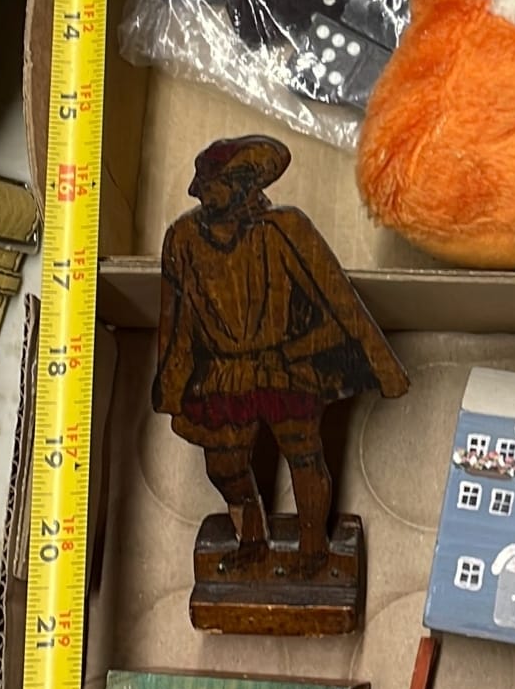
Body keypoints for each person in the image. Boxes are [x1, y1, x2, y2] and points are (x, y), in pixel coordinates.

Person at [154, 135, 408, 568]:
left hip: (283, 366)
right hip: (223, 372)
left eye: (212, 183)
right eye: (203, 183)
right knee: (224, 466)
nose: (201, 192)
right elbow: (176, 317)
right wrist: (171, 385)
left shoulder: (283, 228)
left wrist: (378, 365)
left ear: (241, 185)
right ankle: (252, 540)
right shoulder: (183, 238)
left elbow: (338, 299)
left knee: (304, 454)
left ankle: (313, 548)